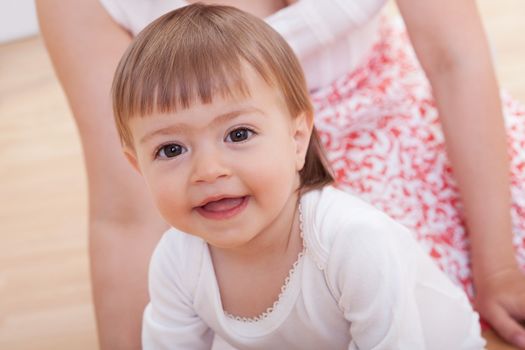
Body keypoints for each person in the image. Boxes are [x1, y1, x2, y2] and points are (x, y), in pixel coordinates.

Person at [35, 0, 525, 348]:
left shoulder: (357, 239)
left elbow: (453, 59)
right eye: (171, 148)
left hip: (395, 115)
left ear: (299, 136)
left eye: (237, 136)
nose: (208, 171)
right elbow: (123, 211)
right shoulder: (177, 261)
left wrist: (499, 269)